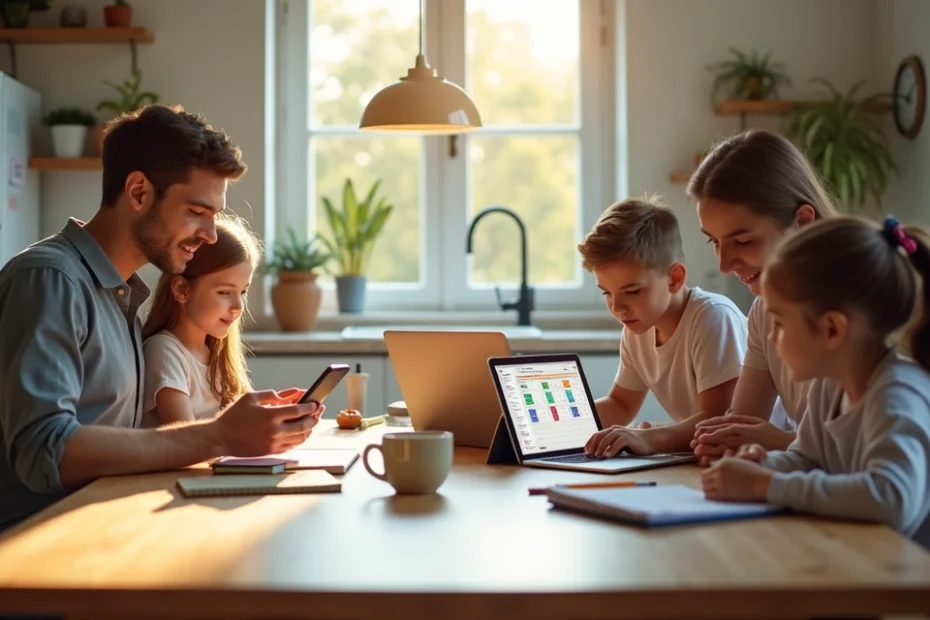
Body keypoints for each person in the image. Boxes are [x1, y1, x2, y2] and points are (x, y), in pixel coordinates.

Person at [0, 104, 321, 532]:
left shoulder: (122, 295)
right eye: (196, 211)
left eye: (214, 216)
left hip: (108, 531)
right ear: (138, 193)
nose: (209, 234)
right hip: (42, 553)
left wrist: (238, 429)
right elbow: (45, 452)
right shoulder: (50, 279)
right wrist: (219, 435)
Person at [701, 216, 930, 548]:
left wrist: (764, 486)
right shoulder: (829, 386)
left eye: (778, 323)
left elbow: (891, 499)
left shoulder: (896, 395)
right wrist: (764, 464)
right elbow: (808, 459)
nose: (772, 338)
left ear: (831, 329)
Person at [687, 129, 839, 464]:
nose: (725, 265)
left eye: (742, 242)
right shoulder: (763, 311)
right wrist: (720, 440)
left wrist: (780, 441)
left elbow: (875, 458)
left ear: (802, 221)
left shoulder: (860, 312)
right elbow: (740, 426)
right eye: (713, 241)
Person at [580, 196, 748, 457]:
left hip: (762, 458)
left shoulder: (712, 317)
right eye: (607, 293)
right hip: (710, 457)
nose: (617, 307)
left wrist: (649, 439)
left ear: (674, 278)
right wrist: (555, 426)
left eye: (632, 291)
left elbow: (718, 418)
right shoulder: (637, 328)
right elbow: (621, 404)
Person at [141, 215, 261, 427]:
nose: (238, 306)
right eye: (224, 292)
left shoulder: (215, 353)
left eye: (243, 292)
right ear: (181, 290)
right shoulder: (164, 350)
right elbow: (185, 438)